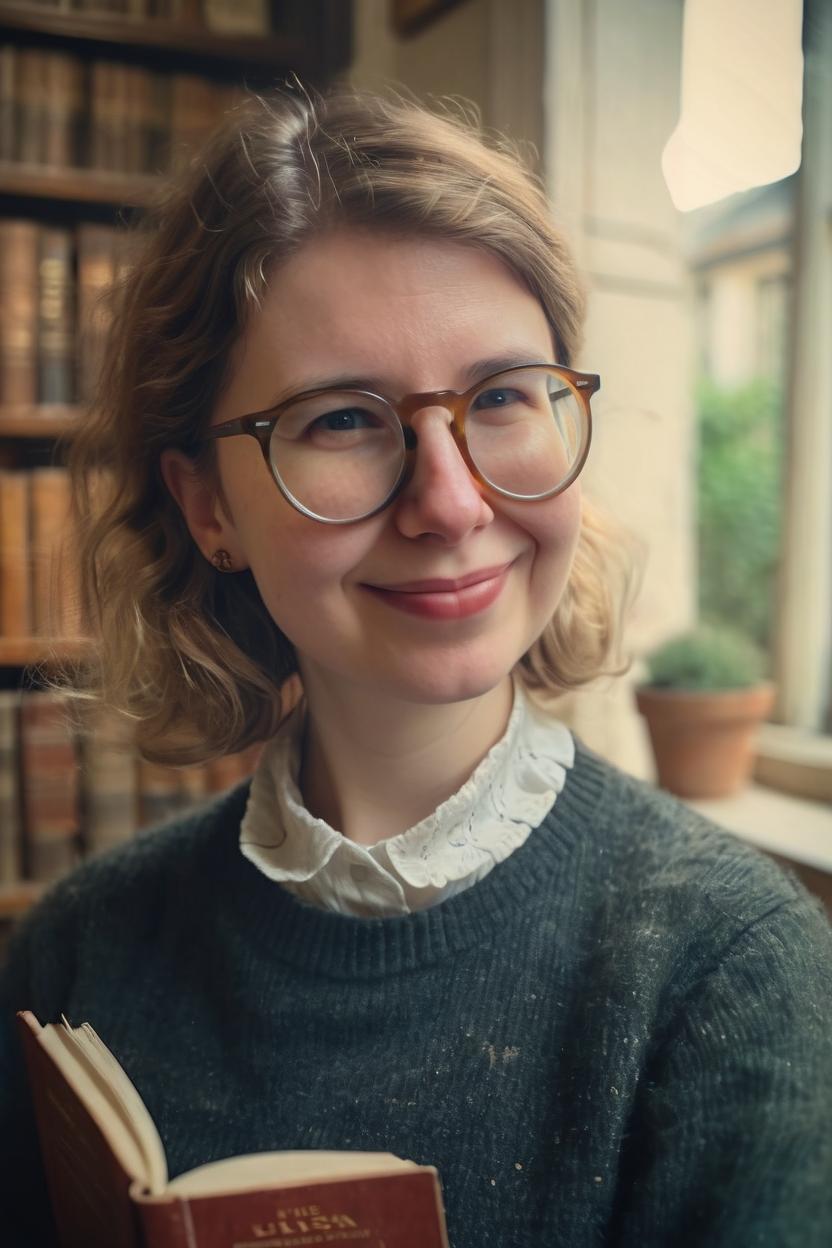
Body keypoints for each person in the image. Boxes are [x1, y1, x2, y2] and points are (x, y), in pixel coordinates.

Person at [1, 85, 830, 1248]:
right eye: (342, 419)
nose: (449, 503)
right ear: (206, 506)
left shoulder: (728, 970)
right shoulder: (77, 952)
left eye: (498, 397)